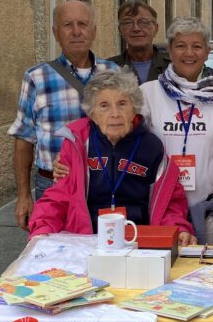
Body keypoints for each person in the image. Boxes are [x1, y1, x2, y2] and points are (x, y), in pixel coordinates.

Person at [28, 69, 194, 242]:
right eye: (104, 106)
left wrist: (179, 229)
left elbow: (170, 203)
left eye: (122, 103)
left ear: (135, 109)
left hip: (138, 241)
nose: (115, 113)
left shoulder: (152, 147)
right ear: (92, 114)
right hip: (87, 240)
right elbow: (59, 196)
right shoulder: (78, 144)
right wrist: (42, 229)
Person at [9, 0, 117, 230]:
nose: (76, 31)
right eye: (67, 25)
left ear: (94, 31)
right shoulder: (36, 77)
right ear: (55, 32)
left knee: (105, 256)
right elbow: (24, 139)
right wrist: (23, 196)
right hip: (53, 184)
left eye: (83, 24)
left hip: (105, 183)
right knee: (53, 258)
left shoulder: (113, 73)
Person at [141, 17, 213, 244]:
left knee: (212, 275)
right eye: (180, 45)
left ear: (207, 52)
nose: (189, 53)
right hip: (164, 208)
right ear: (169, 50)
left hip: (210, 211)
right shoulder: (147, 93)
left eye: (196, 46)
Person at [107, 0, 170, 84]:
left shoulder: (173, 67)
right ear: (120, 30)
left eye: (143, 22)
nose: (136, 28)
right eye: (128, 23)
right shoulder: (108, 69)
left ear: (156, 28)